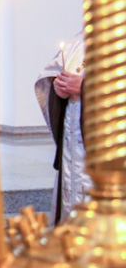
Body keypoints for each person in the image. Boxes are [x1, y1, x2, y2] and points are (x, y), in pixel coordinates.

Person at [35, 34, 89, 224]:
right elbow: (50, 78)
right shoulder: (80, 42)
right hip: (74, 145)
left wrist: (86, 87)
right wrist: (58, 87)